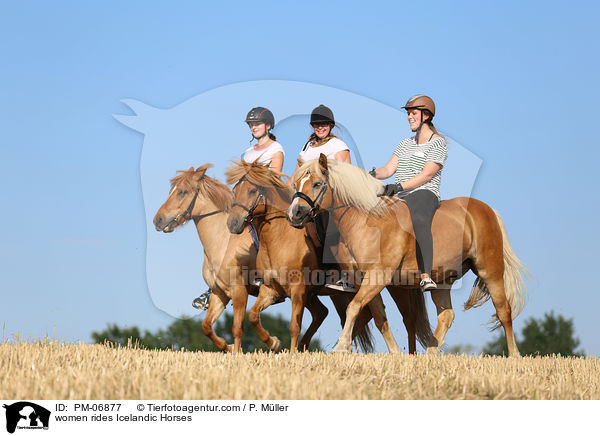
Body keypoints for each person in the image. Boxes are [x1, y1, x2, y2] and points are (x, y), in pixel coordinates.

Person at [370, 95, 448, 292]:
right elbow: (388, 170)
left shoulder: (437, 143)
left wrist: (399, 187)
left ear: (426, 115)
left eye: (413, 113)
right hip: (401, 194)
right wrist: (370, 175)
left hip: (424, 192)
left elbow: (427, 174)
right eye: (408, 114)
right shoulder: (405, 143)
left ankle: (426, 275)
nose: (409, 117)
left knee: (420, 219)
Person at [289, 105, 353, 292]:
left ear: (331, 125)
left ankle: (339, 271)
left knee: (327, 225)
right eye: (317, 124)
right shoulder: (307, 147)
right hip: (308, 196)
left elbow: (345, 173)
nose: (320, 127)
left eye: (324, 124)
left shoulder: (338, 146)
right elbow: (297, 174)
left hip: (331, 198)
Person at [242, 107, 284, 172]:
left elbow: (275, 178)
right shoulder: (247, 152)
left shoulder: (276, 149)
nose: (253, 128)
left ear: (268, 126)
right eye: (251, 125)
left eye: (257, 124)